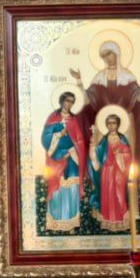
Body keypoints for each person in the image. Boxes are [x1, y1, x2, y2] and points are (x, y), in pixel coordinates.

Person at [42, 91, 89, 230]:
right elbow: (45, 138)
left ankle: (71, 220)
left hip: (72, 158)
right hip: (57, 157)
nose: (69, 104)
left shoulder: (74, 119)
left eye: (72, 102)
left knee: (72, 188)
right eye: (67, 100)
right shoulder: (53, 117)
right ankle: (56, 220)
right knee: (58, 188)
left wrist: (75, 148)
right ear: (62, 101)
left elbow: (80, 140)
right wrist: (58, 134)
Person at [92, 112, 132, 228]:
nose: (111, 125)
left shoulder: (122, 138)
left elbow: (128, 155)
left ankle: (121, 219)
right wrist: (93, 147)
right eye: (109, 123)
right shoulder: (104, 139)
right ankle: (108, 219)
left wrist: (120, 155)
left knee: (120, 195)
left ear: (118, 124)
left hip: (119, 171)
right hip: (107, 171)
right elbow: (97, 155)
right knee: (107, 195)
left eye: (113, 123)